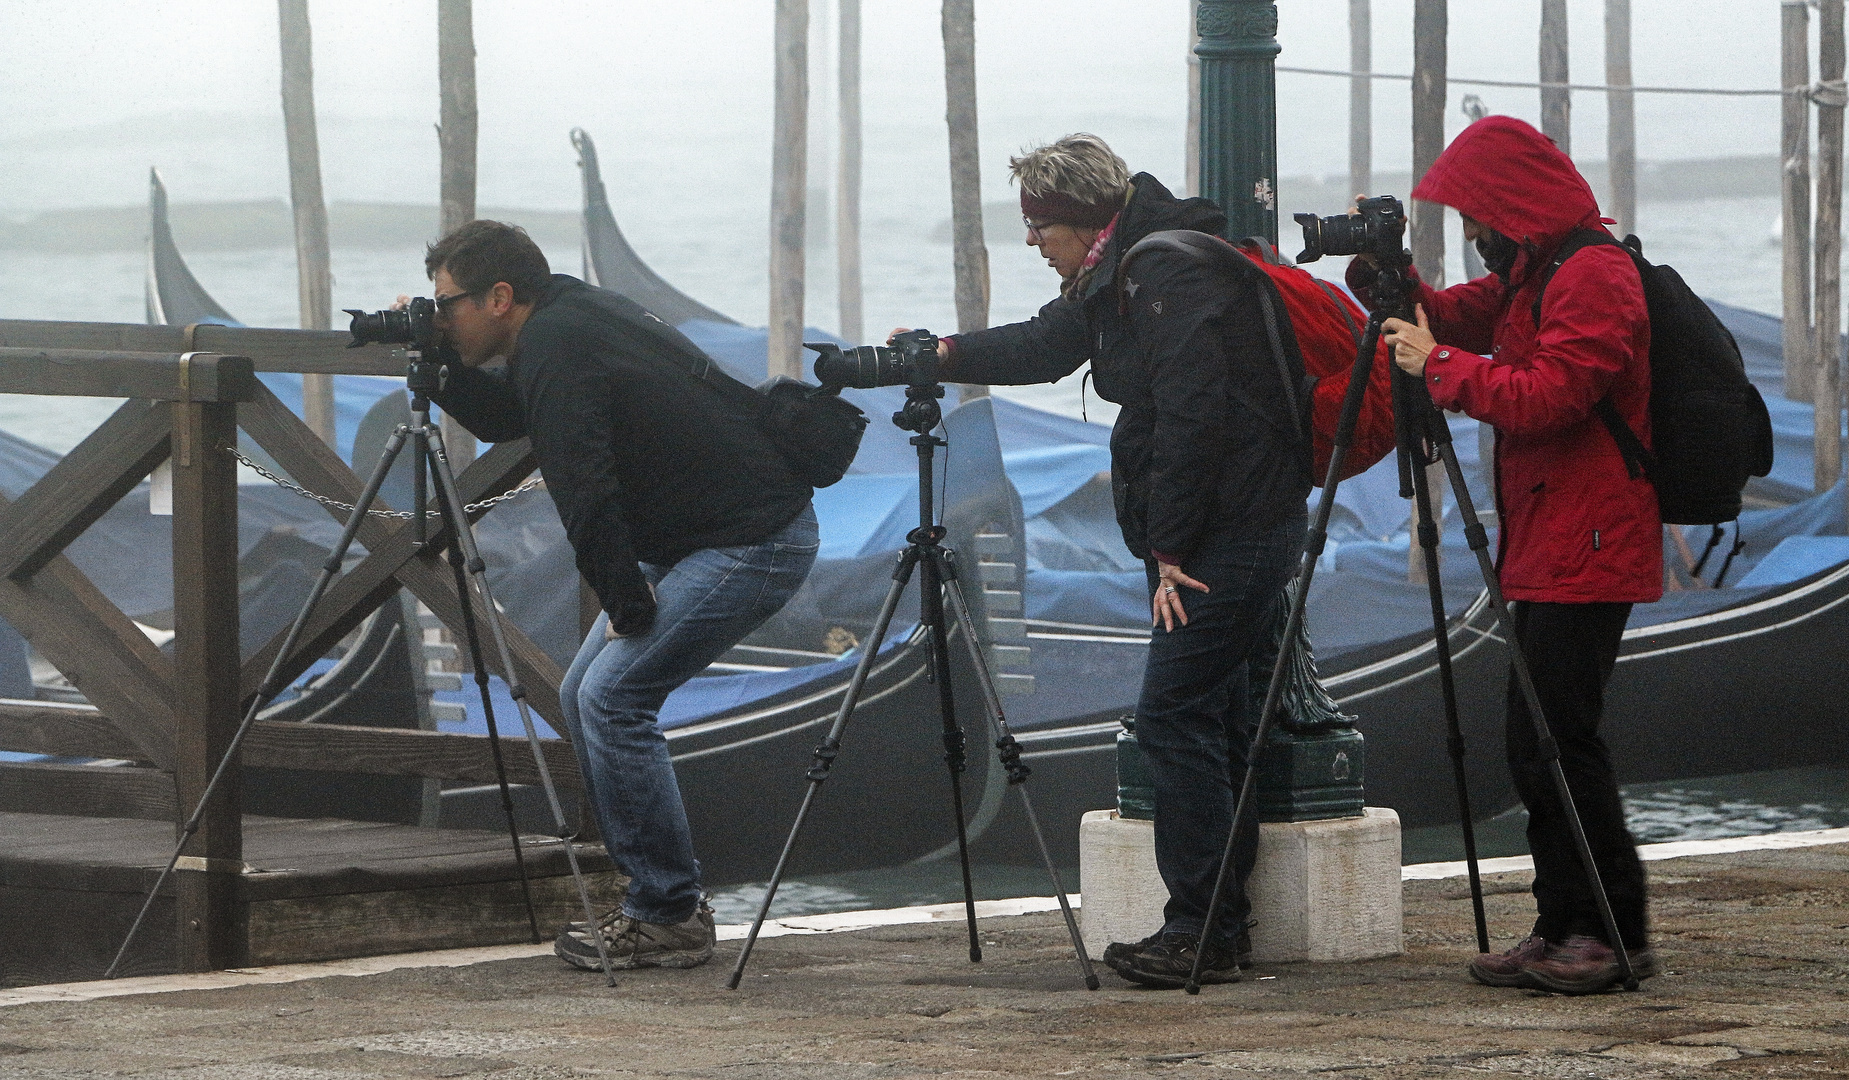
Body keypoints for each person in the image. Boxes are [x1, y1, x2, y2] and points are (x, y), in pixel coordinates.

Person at [906, 133, 1312, 988]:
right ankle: (1218, 930)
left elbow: (1194, 412)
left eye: (1037, 227)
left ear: (1081, 220)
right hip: (1221, 530)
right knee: (1212, 722)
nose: (1030, 242)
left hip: (1220, 539)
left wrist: (1168, 547)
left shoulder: (1162, 273)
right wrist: (939, 356)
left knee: (1172, 719)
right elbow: (1047, 347)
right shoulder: (1119, 272)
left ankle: (1196, 930)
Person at [423, 220, 819, 972]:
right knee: (582, 695)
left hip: (753, 541)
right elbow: (514, 416)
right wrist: (438, 365)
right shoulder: (564, 312)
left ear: (500, 297)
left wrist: (623, 595)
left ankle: (666, 913)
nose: (441, 317)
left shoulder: (558, 347)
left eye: (449, 306)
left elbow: (585, 487)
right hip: (708, 534)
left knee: (612, 700)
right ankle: (662, 900)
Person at [1366, 115, 1661, 994]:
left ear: (1510, 210)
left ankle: (1613, 933)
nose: (1474, 240)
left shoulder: (1596, 275)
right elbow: (1452, 316)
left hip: (1592, 537)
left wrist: (1440, 366)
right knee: (1533, 742)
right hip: (1549, 534)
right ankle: (1562, 921)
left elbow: (1550, 395)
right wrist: (1392, 274)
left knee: (1561, 740)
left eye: (1475, 222)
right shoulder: (1536, 272)